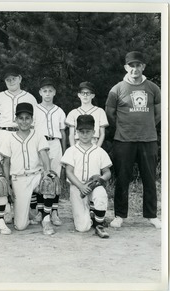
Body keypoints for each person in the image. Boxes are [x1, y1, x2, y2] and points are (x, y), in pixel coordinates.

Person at [105, 51, 161, 229]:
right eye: (131, 65)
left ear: (143, 67)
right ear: (125, 67)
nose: (134, 68)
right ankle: (120, 215)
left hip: (148, 139)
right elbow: (110, 113)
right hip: (124, 140)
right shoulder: (117, 88)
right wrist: (124, 127)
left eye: (138, 65)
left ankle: (151, 215)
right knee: (122, 178)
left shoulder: (152, 87)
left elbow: (159, 113)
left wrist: (147, 126)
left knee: (149, 178)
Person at [0, 102, 55, 235]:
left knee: (49, 182)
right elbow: (6, 162)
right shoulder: (9, 137)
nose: (24, 121)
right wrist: (8, 183)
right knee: (20, 226)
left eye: (27, 118)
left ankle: (46, 219)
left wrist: (47, 173)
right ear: (16, 119)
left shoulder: (37, 135)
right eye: (21, 118)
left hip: (36, 175)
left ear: (32, 120)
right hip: (19, 179)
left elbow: (44, 154)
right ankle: (28, 213)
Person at [61, 115, 112, 238]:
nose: (84, 135)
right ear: (77, 132)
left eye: (88, 131)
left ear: (94, 132)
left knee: (101, 194)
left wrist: (100, 179)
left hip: (94, 185)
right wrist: (81, 186)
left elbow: (107, 172)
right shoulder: (71, 150)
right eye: (81, 131)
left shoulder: (99, 151)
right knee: (82, 228)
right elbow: (69, 172)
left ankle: (99, 224)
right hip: (77, 186)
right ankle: (90, 212)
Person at [32, 77, 67, 226]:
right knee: (41, 176)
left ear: (54, 93)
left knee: (55, 178)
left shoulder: (59, 111)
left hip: (55, 142)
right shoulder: (35, 109)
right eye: (44, 90)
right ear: (40, 92)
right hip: (40, 143)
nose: (47, 93)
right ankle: (40, 211)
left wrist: (65, 151)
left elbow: (63, 132)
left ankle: (54, 211)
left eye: (50, 91)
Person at [0, 64, 38, 148]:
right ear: (5, 81)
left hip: (23, 134)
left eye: (14, 79)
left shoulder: (30, 98)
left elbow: (34, 121)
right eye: (8, 79)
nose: (11, 81)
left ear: (20, 79)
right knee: (2, 159)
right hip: (4, 134)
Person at [66, 81, 108, 147]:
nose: (85, 95)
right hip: (78, 143)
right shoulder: (73, 113)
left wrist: (97, 148)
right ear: (79, 95)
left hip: (94, 142)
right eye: (83, 93)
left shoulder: (100, 111)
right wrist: (73, 149)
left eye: (88, 93)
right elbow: (71, 135)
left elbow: (102, 134)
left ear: (93, 95)